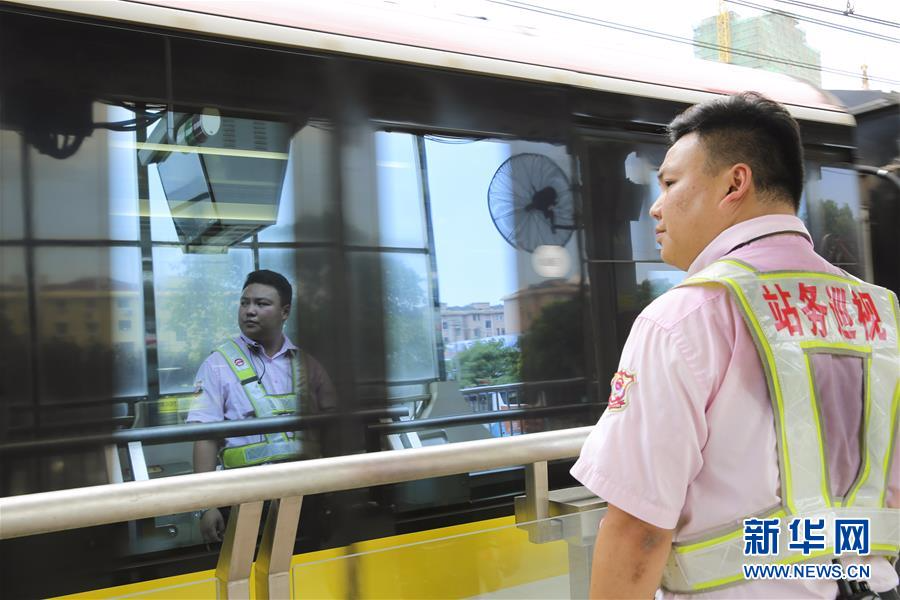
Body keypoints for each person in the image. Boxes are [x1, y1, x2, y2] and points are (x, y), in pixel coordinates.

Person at [571, 92, 900, 599]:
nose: (655, 208)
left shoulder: (683, 318)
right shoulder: (880, 313)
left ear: (734, 183)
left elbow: (640, 530)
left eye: (670, 183)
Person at [187, 269, 336, 543]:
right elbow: (204, 436)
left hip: (307, 493)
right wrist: (205, 506)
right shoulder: (217, 365)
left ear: (285, 312)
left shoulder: (308, 365)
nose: (249, 311)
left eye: (262, 304)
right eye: (245, 303)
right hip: (244, 497)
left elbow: (334, 426)